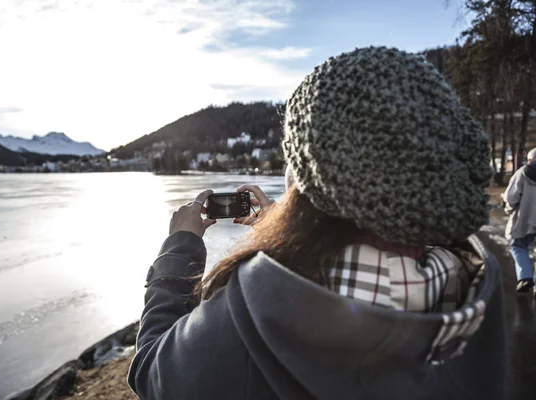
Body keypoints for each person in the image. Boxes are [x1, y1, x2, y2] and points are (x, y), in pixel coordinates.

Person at [127, 47, 505, 400]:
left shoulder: (257, 311)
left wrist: (179, 247)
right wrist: (283, 228)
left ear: (308, 184)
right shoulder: (480, 288)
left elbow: (153, 373)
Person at [503, 148, 536, 293]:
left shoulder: (522, 172)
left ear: (530, 159)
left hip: (525, 218)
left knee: (518, 246)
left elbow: (511, 197)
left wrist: (509, 209)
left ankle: (525, 277)